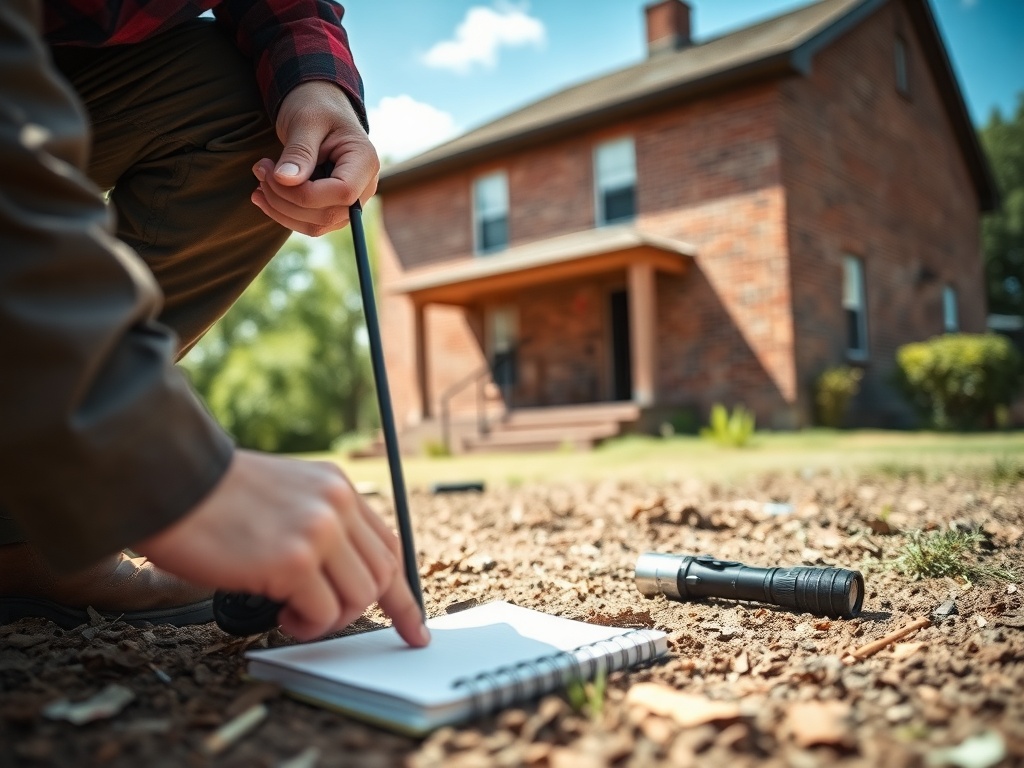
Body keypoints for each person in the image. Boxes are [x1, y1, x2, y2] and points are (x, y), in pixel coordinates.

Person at [0, 0, 430, 647]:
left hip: (55, 74)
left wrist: (316, 89)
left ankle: (14, 527)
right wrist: (171, 465)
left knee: (254, 98)